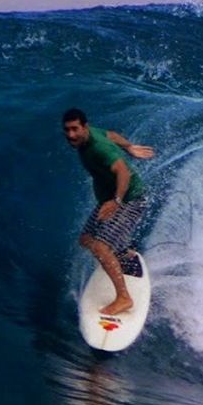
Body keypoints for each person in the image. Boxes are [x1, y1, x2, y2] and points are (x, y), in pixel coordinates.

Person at [62, 107, 154, 315]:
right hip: (110, 199)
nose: (71, 135)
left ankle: (124, 298)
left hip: (130, 199)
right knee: (86, 238)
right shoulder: (91, 134)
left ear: (84, 127)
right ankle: (122, 253)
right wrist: (129, 146)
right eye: (67, 130)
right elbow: (110, 134)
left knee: (100, 247)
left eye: (75, 129)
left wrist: (116, 200)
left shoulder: (98, 149)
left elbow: (123, 171)